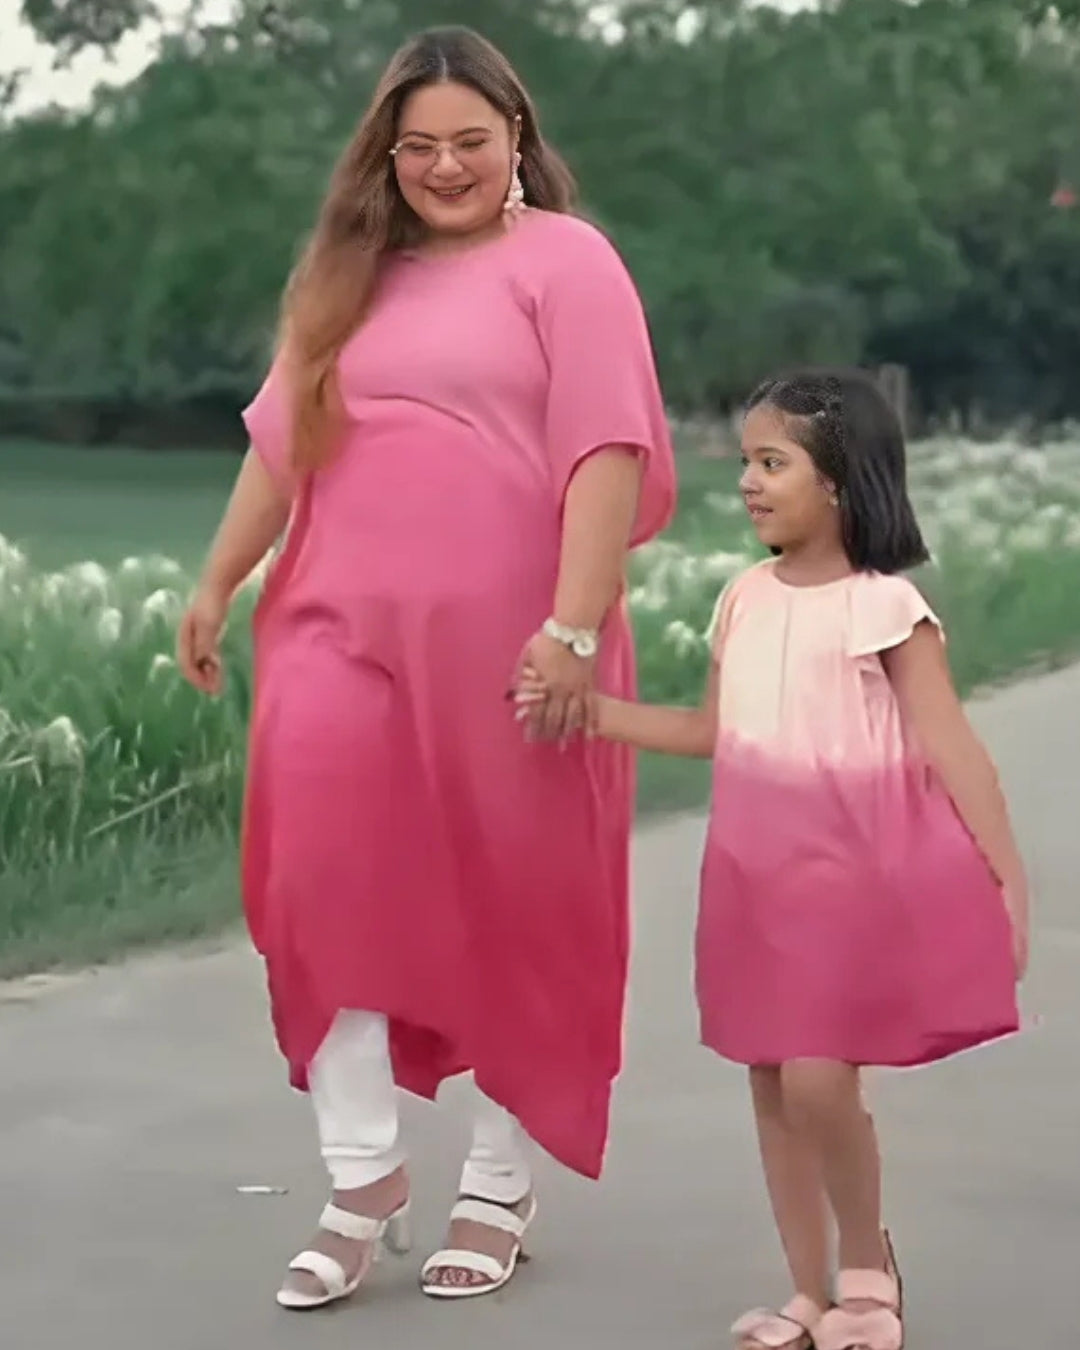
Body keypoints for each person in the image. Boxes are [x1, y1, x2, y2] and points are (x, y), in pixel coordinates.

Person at [175, 24, 675, 1311]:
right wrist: (218, 579)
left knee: (520, 893)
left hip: (519, 638)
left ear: (517, 139)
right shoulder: (349, 276)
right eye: (418, 147)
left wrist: (573, 629)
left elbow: (608, 448)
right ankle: (363, 1176)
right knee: (316, 875)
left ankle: (498, 1184)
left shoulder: (567, 262)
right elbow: (282, 444)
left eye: (470, 141)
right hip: (334, 624)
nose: (445, 166)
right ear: (384, 156)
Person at [517, 367, 1026, 1350]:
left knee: (817, 1079)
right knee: (771, 1080)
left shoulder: (886, 610)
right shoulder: (744, 598)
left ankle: (867, 1268)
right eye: (748, 461)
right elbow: (712, 730)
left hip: (850, 881)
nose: (748, 481)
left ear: (837, 480)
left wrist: (1004, 877)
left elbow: (952, 745)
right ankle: (806, 1289)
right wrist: (590, 713)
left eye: (771, 462)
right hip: (752, 880)